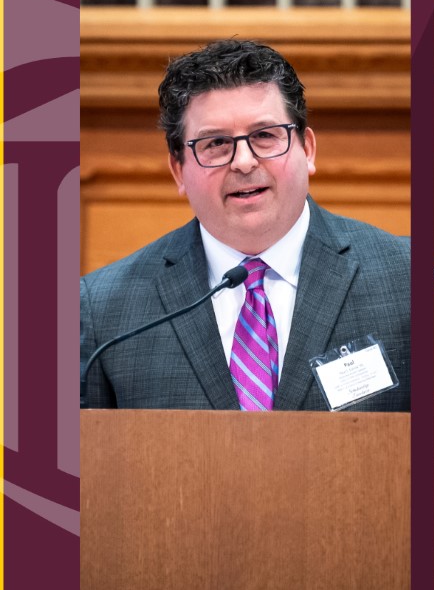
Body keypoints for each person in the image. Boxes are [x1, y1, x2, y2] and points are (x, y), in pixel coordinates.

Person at [81, 40, 411, 411]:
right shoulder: (105, 310)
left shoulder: (405, 277)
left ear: (308, 149)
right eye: (217, 143)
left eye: (265, 136)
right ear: (178, 171)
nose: (243, 161)